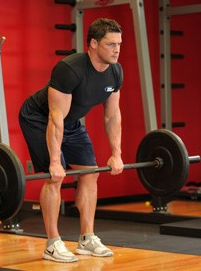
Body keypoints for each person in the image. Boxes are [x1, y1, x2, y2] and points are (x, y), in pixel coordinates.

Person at [19, 18, 124, 263]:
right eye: (110, 44)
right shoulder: (70, 69)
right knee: (53, 177)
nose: (117, 49)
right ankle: (53, 243)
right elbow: (55, 118)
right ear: (93, 44)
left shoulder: (115, 71)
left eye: (119, 44)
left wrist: (116, 153)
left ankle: (87, 238)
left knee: (91, 172)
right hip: (39, 118)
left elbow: (112, 116)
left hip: (72, 122)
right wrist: (55, 162)